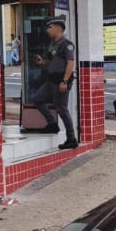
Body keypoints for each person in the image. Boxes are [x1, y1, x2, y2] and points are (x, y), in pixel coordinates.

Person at [31, 18, 78, 150]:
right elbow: (52, 61)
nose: (47, 30)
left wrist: (65, 81)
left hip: (61, 81)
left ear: (58, 28)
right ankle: (52, 124)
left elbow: (70, 63)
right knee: (37, 99)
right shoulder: (53, 43)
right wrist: (42, 62)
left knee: (62, 109)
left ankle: (71, 139)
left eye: (50, 27)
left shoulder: (66, 44)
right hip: (51, 80)